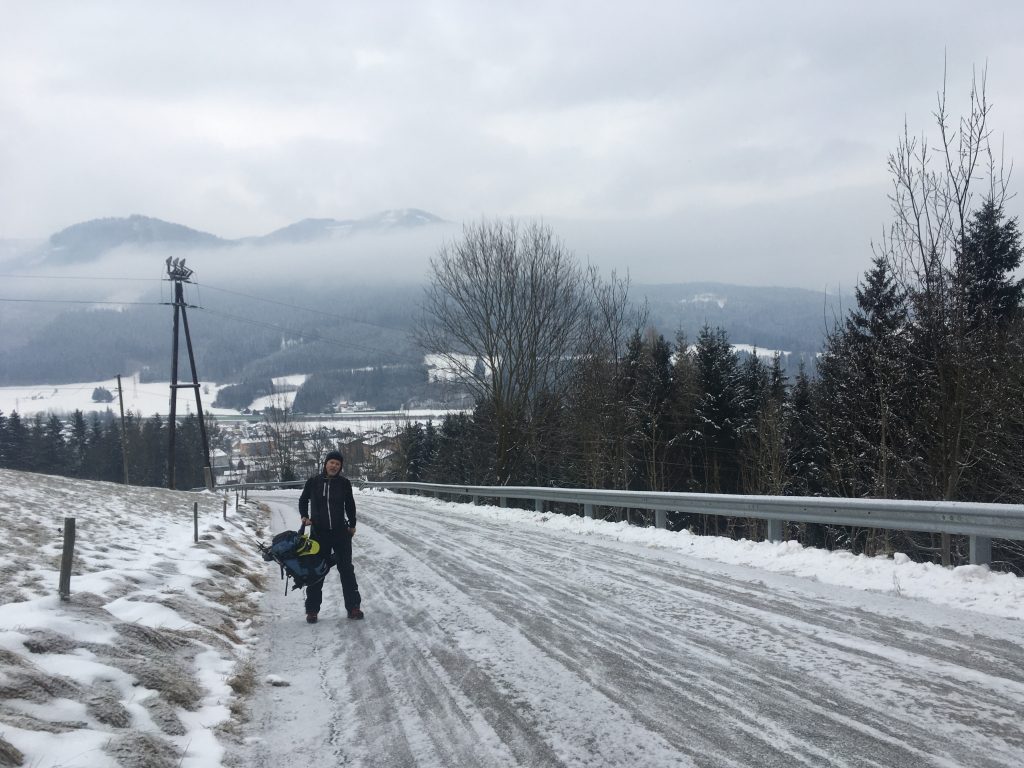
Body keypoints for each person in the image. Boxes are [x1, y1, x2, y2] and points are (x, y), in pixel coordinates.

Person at [298, 449, 363, 623]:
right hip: (318, 535)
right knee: (316, 571)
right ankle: (312, 610)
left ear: (340, 467)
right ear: (325, 464)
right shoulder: (313, 482)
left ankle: (353, 607)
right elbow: (303, 500)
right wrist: (304, 516)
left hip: (341, 534)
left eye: (337, 464)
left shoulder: (344, 483)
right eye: (331, 462)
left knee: (346, 570)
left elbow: (350, 504)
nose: (334, 466)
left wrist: (352, 524)